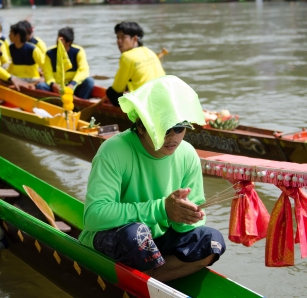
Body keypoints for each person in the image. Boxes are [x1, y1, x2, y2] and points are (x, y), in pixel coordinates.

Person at [79, 75, 226, 282]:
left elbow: (187, 226)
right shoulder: (114, 150)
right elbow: (94, 216)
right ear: (141, 126)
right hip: (119, 236)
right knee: (138, 234)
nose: (173, 136)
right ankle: (153, 278)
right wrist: (162, 209)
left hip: (158, 239)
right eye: (165, 129)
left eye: (180, 128)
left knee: (212, 242)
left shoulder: (187, 154)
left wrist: (188, 215)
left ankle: (150, 276)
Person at [106, 22, 165, 106]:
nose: (119, 41)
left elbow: (117, 88)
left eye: (123, 37)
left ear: (134, 39)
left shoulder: (126, 56)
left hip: (145, 103)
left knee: (110, 92)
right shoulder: (150, 51)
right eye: (118, 37)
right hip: (162, 96)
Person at [38, 26, 93, 99]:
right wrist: (53, 84)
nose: (58, 41)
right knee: (41, 86)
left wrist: (72, 84)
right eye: (58, 38)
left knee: (89, 81)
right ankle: (54, 101)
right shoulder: (49, 53)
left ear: (68, 42)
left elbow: (83, 71)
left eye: (61, 39)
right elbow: (48, 73)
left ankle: (80, 102)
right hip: (56, 87)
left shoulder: (78, 51)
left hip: (72, 86)